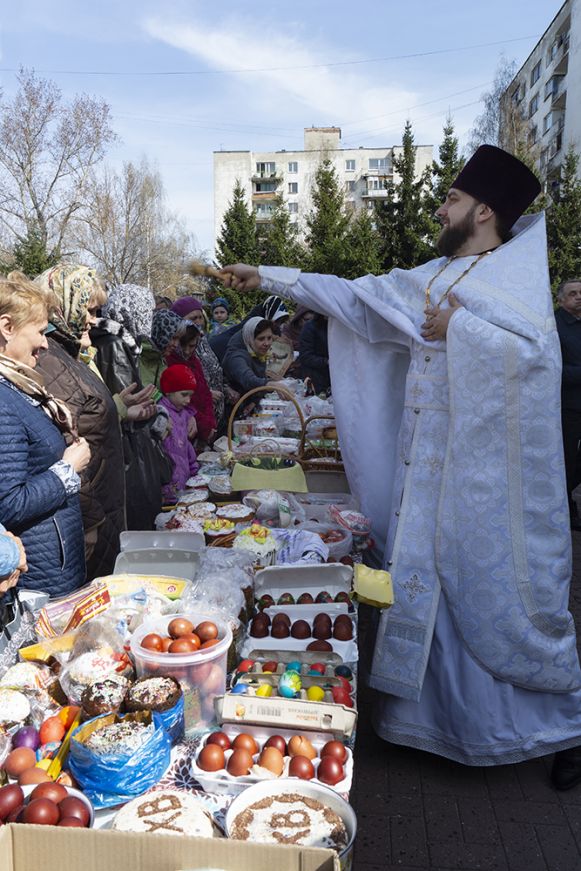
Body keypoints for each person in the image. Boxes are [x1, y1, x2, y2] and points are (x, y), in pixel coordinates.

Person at [219, 145, 581, 783]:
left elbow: (534, 364)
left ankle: (550, 727)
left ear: (485, 210)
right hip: (428, 467)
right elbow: (359, 299)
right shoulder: (438, 273)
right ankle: (428, 723)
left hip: (483, 481)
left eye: (454, 199)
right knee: (426, 585)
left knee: (486, 593)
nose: (442, 207)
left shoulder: (513, 283)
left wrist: (460, 329)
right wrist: (268, 276)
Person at [34, 265, 126, 580]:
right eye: (87, 310)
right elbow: (64, 446)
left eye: (97, 310)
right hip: (91, 519)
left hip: (102, 506)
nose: (93, 319)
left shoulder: (66, 353)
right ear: (60, 305)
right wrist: (93, 521)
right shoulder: (48, 360)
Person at [0, 275, 89, 596]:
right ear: (7, 327)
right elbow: (8, 504)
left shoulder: (17, 384)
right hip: (37, 579)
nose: (46, 342)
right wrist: (67, 470)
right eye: (39, 331)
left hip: (52, 566)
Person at [171, 296, 227, 427]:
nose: (198, 322)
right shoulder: (177, 349)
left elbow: (215, 370)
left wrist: (225, 388)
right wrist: (206, 393)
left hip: (212, 416)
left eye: (200, 317)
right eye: (193, 318)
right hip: (194, 421)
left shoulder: (202, 341)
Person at [555, 279, 581, 531]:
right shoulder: (553, 326)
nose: (579, 297)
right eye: (573, 293)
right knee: (566, 459)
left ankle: (565, 494)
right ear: (561, 299)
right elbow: (552, 369)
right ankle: (565, 507)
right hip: (567, 405)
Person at [166, 323, 217, 446]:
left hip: (203, 425)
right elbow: (181, 401)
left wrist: (210, 422)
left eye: (192, 346)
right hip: (185, 429)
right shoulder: (170, 363)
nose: (187, 351)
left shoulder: (194, 361)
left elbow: (205, 394)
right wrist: (204, 425)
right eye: (183, 346)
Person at [159, 364, 200, 505]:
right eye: (184, 395)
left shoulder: (183, 413)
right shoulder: (162, 415)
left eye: (190, 395)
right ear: (169, 391)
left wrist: (194, 467)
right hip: (168, 482)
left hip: (183, 476)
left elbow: (186, 444)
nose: (188, 400)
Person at [209, 295, 288, 363]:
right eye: (277, 321)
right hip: (218, 350)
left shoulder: (262, 323)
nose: (277, 325)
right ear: (269, 313)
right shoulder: (253, 324)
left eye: (279, 322)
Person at [222, 317, 278, 399]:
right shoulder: (236, 356)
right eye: (261, 339)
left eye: (269, 338)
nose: (267, 343)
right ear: (250, 338)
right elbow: (248, 379)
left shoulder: (256, 352)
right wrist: (269, 384)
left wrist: (254, 402)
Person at [298, 313, 330, 394]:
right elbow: (306, 356)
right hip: (315, 380)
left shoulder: (337, 327)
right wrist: (326, 361)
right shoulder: (310, 327)